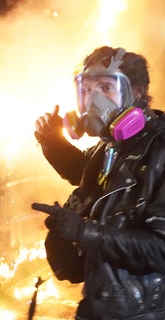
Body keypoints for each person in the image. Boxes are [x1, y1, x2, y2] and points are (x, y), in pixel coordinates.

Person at [31, 46, 165, 319]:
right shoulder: (112, 145)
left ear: (137, 92)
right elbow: (91, 174)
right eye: (87, 89)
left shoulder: (160, 148)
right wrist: (52, 143)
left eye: (106, 87)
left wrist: (84, 232)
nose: (94, 100)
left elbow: (160, 249)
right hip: (100, 305)